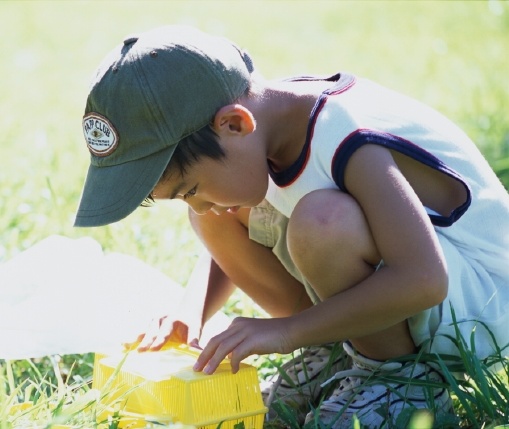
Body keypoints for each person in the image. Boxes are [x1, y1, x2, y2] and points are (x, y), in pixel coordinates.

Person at [73, 25, 509, 427]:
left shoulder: (344, 134)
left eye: (189, 188)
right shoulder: (267, 126)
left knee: (323, 221)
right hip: (426, 292)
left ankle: (399, 381)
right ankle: (344, 350)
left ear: (234, 123)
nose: (199, 206)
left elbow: (424, 279)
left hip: (480, 306)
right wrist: (191, 313)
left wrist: (283, 333)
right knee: (223, 214)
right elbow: (221, 223)